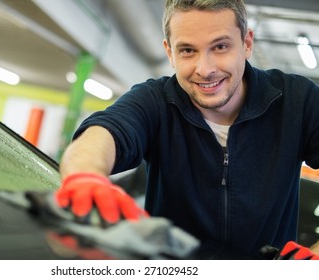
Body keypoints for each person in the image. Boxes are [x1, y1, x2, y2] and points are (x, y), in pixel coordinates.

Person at [56, 0, 319, 259]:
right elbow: (104, 132)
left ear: (247, 43)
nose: (205, 70)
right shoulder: (155, 100)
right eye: (187, 51)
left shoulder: (298, 101)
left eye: (220, 46)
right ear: (170, 52)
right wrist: (84, 176)